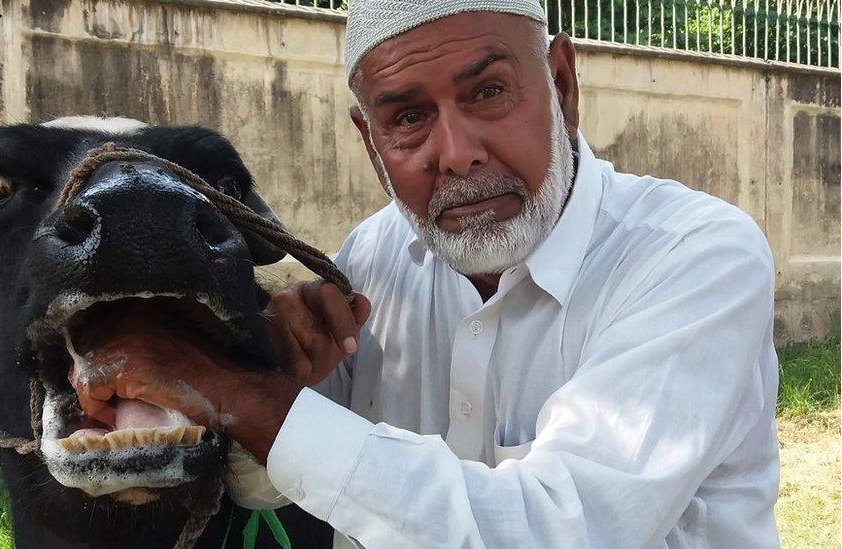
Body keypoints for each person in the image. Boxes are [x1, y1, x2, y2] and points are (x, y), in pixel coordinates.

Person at [100, 1, 781, 546]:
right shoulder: (372, 258)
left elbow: (559, 529)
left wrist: (246, 398)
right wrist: (277, 374)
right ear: (372, 144)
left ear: (563, 87)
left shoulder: (694, 257)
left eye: (489, 91)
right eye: (408, 118)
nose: (454, 154)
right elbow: (271, 485)